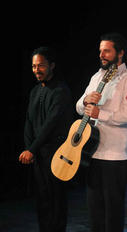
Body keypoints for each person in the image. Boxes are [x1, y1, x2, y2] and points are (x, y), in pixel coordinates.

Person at [76, 33, 127, 232]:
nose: (102, 55)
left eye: (107, 50)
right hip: (93, 151)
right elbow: (79, 107)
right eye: (100, 51)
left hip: (116, 154)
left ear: (120, 53)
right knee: (95, 210)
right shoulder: (96, 76)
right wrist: (86, 100)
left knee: (112, 211)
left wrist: (101, 114)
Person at [18, 46, 74, 232]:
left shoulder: (61, 90)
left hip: (56, 154)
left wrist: (31, 149)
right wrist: (30, 149)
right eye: (34, 66)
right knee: (42, 200)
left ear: (52, 65)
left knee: (56, 199)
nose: (36, 70)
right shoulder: (35, 91)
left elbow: (50, 124)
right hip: (38, 155)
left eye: (41, 66)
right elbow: (29, 121)